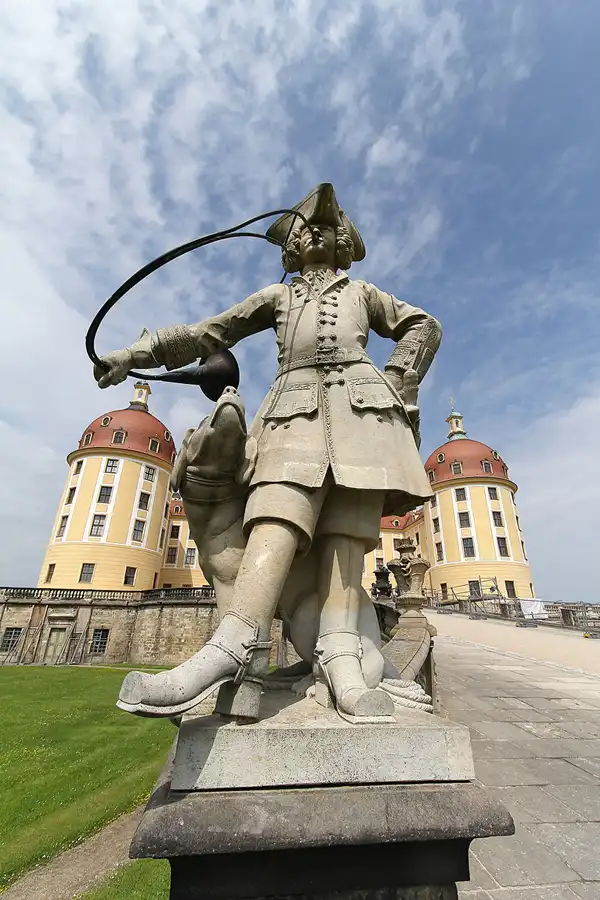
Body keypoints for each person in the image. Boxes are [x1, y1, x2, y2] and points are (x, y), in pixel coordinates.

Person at [94, 184, 442, 723]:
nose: (313, 234)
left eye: (325, 228)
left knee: (347, 533)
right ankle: (231, 647)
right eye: (303, 230)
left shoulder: (364, 292)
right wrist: (135, 353)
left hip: (364, 411)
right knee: (275, 512)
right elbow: (209, 332)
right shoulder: (279, 298)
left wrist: (398, 381)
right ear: (290, 247)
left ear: (343, 240)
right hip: (293, 411)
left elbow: (423, 325)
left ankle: (341, 654)